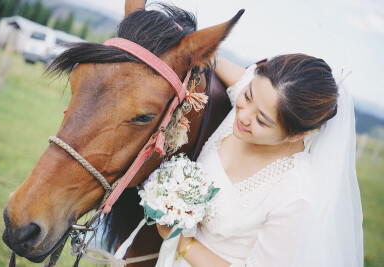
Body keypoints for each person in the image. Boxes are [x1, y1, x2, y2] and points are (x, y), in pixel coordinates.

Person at [156, 54, 364, 267]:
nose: (243, 115)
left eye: (261, 121)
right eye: (247, 96)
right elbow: (216, 61)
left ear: (298, 135)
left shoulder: (297, 195)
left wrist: (183, 244)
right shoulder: (258, 103)